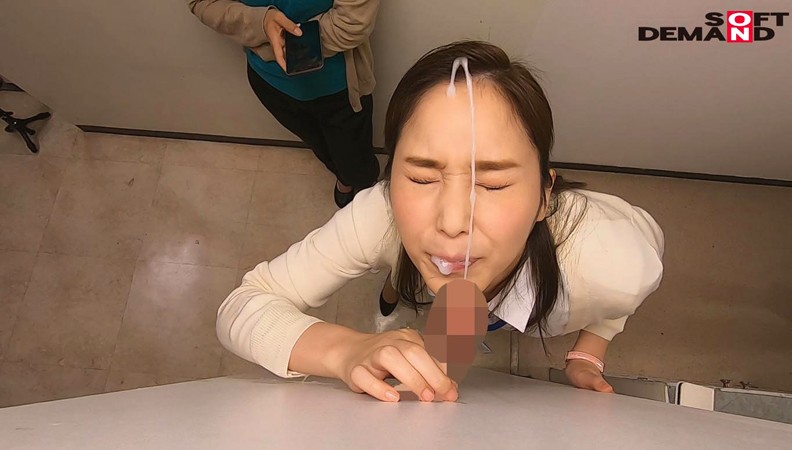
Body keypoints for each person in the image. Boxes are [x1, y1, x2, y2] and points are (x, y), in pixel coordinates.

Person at [217, 41, 665, 402]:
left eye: (492, 184)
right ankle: (396, 285)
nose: (451, 223)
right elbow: (244, 305)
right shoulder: (379, 213)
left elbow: (629, 285)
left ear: (545, 195)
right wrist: (345, 350)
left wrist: (590, 349)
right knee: (433, 303)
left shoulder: (608, 260)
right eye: (422, 177)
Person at [187, 0, 381, 207]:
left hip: (339, 88)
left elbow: (352, 23)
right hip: (271, 84)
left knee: (356, 158)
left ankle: (359, 184)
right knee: (320, 145)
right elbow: (202, 3)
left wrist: (275, 42)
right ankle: (344, 178)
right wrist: (262, 23)